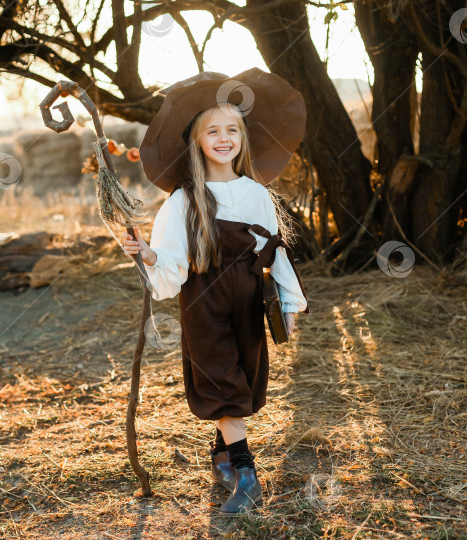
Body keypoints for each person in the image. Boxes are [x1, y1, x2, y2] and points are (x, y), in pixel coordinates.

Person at [122, 68, 310, 514]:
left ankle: (222, 457)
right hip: (204, 302)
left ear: (243, 137)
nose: (224, 138)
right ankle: (247, 475)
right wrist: (148, 254)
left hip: (248, 298)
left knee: (244, 376)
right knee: (220, 379)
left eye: (232, 130)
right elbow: (170, 263)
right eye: (213, 131)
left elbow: (274, 252)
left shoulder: (257, 193)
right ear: (197, 140)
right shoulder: (184, 199)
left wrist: (288, 301)